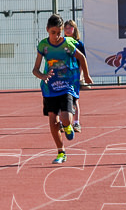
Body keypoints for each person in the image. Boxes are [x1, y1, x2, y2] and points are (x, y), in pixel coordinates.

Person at [32, 13, 93, 165]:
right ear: (47, 30)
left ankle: (67, 126)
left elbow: (81, 58)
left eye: (59, 32)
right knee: (53, 120)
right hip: (50, 87)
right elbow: (35, 69)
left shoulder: (67, 44)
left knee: (65, 117)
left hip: (67, 85)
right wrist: (43, 75)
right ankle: (61, 152)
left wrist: (86, 75)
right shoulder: (43, 46)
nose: (56, 36)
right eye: (53, 32)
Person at [64, 19, 86, 134]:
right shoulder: (61, 43)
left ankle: (76, 122)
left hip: (75, 75)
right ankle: (64, 123)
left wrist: (81, 75)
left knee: (74, 99)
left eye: (70, 28)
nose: (68, 30)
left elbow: (82, 61)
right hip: (62, 75)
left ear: (74, 29)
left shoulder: (79, 44)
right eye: (65, 28)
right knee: (61, 98)